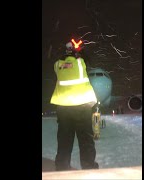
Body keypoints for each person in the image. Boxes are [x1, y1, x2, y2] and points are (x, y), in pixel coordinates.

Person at [50, 39, 99, 171]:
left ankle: (62, 167)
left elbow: (62, 61)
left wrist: (66, 53)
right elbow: (87, 59)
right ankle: (89, 166)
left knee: (64, 140)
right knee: (85, 140)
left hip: (63, 108)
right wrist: (79, 50)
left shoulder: (57, 65)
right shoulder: (79, 63)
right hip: (81, 106)